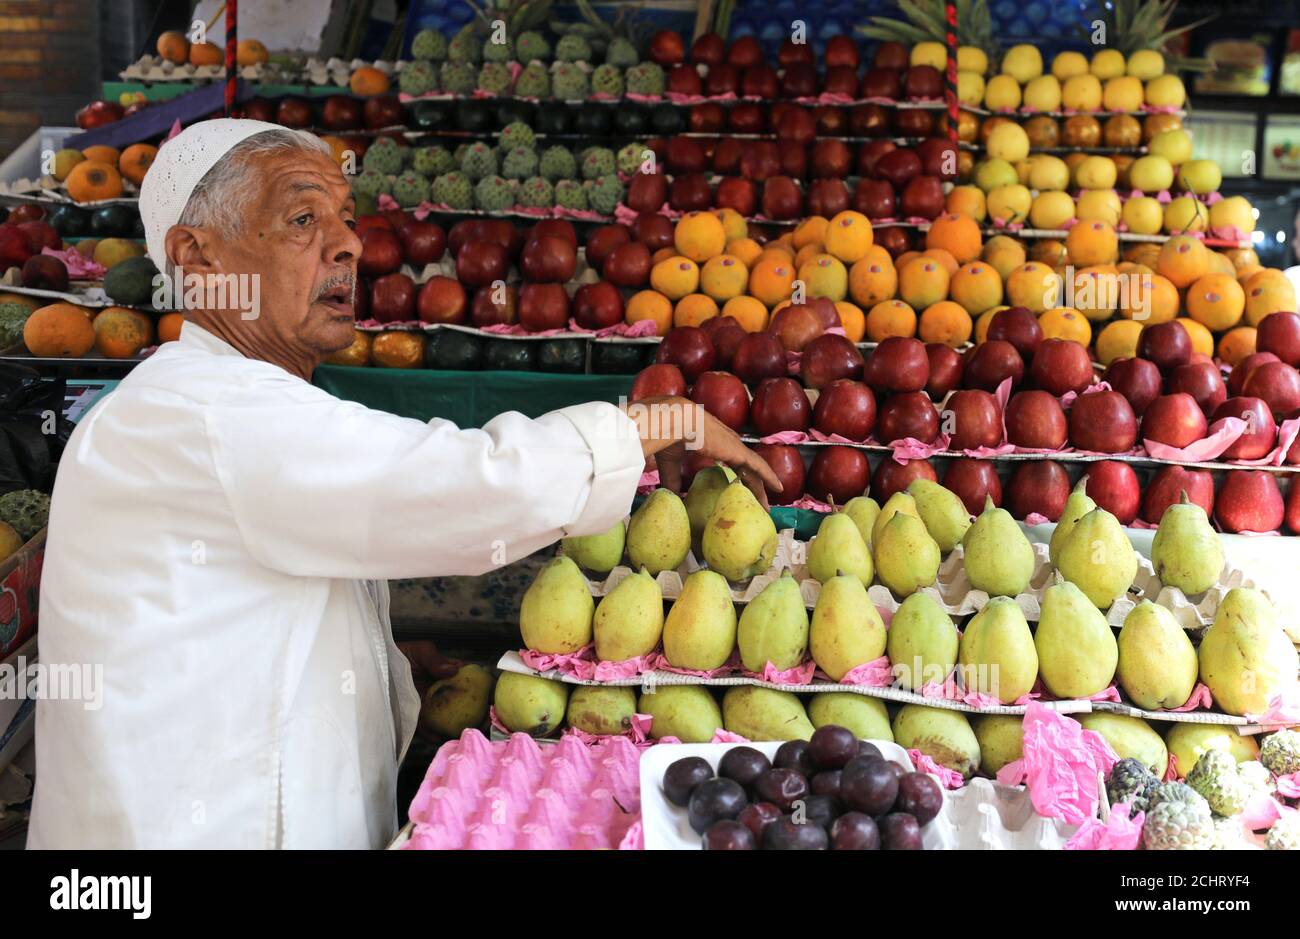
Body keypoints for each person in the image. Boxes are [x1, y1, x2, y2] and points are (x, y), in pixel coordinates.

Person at [29, 120, 779, 849]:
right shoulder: (206, 412)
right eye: (301, 218)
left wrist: (376, 666)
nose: (349, 243)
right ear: (197, 259)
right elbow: (468, 485)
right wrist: (654, 424)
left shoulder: (222, 400)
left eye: (345, 219)